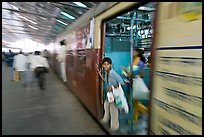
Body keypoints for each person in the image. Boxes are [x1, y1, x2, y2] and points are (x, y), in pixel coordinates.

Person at [122, 48, 148, 125]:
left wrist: (129, 73)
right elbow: (129, 73)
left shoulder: (139, 62)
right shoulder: (133, 61)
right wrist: (126, 72)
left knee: (134, 104)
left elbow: (141, 74)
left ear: (137, 53)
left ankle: (134, 119)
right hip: (130, 84)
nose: (132, 52)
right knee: (132, 102)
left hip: (135, 85)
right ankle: (145, 111)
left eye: (134, 51)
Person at [99, 57, 125, 132]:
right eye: (104, 64)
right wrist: (100, 75)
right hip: (110, 94)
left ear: (110, 65)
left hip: (114, 94)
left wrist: (112, 87)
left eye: (107, 64)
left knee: (113, 110)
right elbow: (107, 81)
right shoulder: (107, 73)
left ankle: (114, 127)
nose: (105, 66)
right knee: (106, 105)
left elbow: (122, 82)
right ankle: (105, 119)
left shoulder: (113, 73)